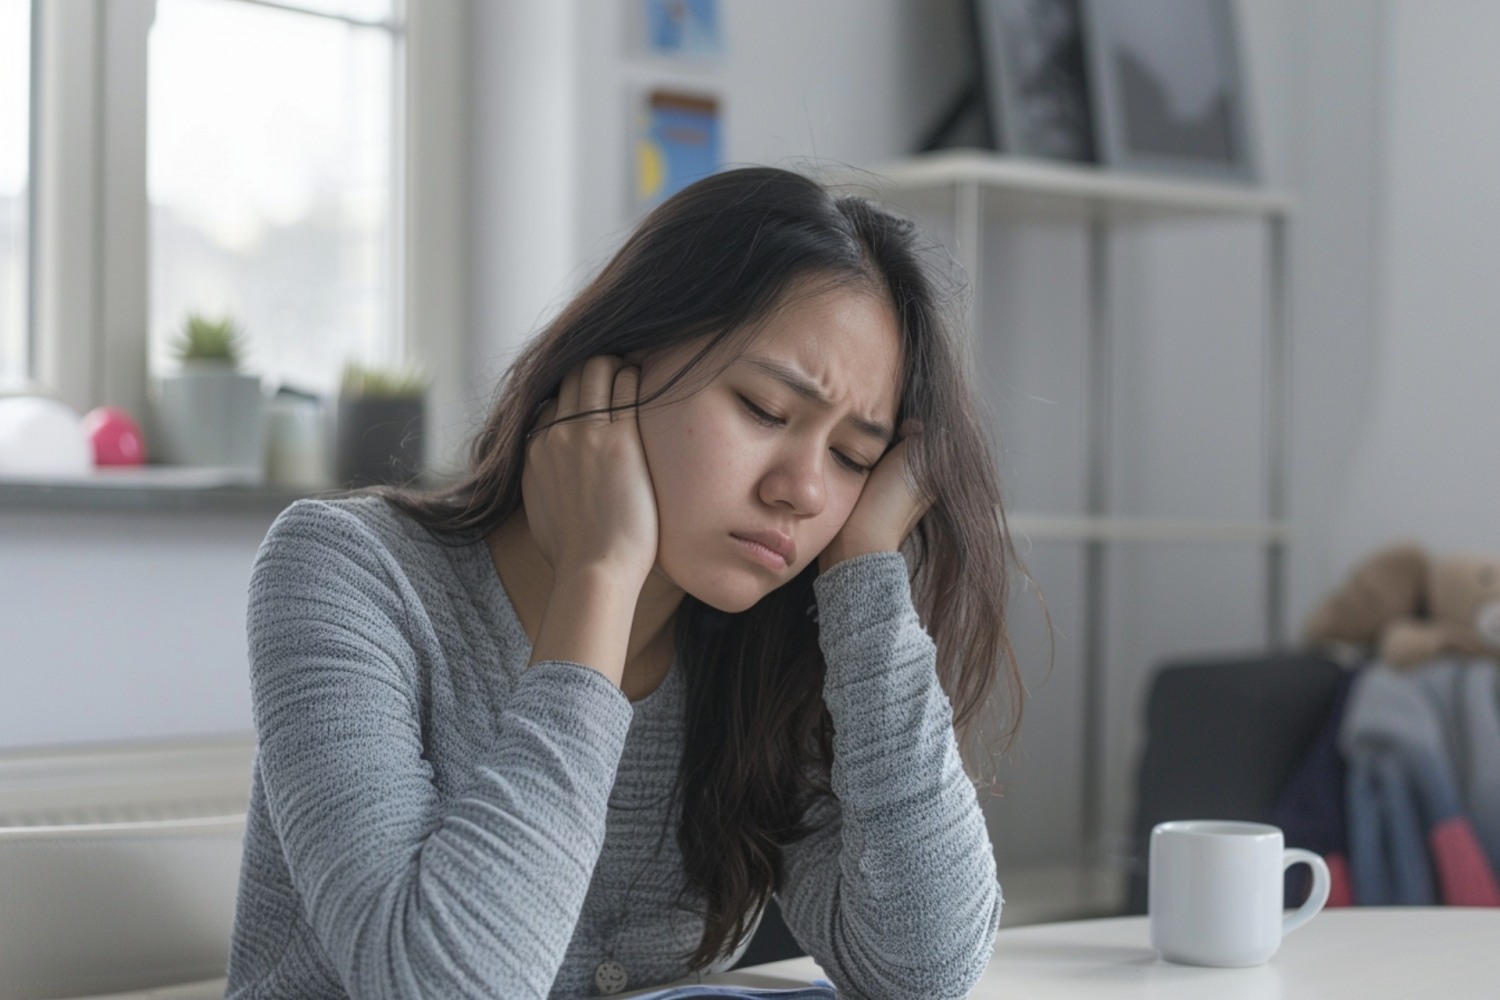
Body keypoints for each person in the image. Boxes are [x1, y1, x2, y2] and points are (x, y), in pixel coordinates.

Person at [225, 166, 1021, 999]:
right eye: (762, 409)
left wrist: (865, 573)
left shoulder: (764, 651)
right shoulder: (348, 572)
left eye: (854, 457)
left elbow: (926, 972)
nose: (806, 490)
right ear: (613, 374)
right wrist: (600, 575)